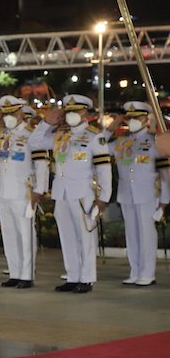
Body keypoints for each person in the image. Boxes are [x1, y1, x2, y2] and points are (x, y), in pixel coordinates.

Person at [32, 94, 112, 293]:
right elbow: (33, 143)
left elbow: (104, 170)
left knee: (85, 238)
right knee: (67, 237)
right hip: (62, 192)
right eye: (69, 111)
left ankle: (86, 278)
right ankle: (73, 276)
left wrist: (104, 198)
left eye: (75, 111)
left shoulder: (95, 136)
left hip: (83, 193)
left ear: (85, 112)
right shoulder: (59, 135)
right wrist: (45, 123)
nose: (71, 115)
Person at [0, 96, 48, 288]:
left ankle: (26, 274)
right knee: (9, 234)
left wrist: (39, 191)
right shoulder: (0, 135)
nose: (8, 117)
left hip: (24, 192)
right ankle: (14, 272)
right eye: (5, 113)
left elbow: (41, 165)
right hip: (4, 191)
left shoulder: (32, 135)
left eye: (12, 113)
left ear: (21, 114)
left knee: (25, 234)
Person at [108, 101, 169, 286]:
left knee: (146, 234)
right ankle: (135, 271)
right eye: (130, 117)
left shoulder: (155, 142)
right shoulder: (121, 141)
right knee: (132, 234)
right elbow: (100, 145)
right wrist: (114, 123)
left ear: (146, 119)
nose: (133, 120)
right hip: (126, 194)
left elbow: (165, 173)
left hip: (147, 193)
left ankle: (147, 273)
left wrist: (164, 202)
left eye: (137, 117)